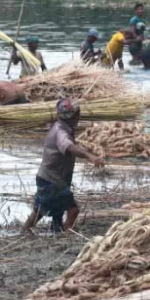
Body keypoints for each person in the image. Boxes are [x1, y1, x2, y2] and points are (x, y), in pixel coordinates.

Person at [22, 98, 104, 234]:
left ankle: (42, 232)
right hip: (52, 181)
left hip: (51, 179)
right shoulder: (60, 131)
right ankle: (62, 236)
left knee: (44, 212)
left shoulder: (62, 128)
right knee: (72, 210)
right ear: (72, 116)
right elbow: (69, 147)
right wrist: (90, 156)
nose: (79, 115)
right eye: (77, 113)